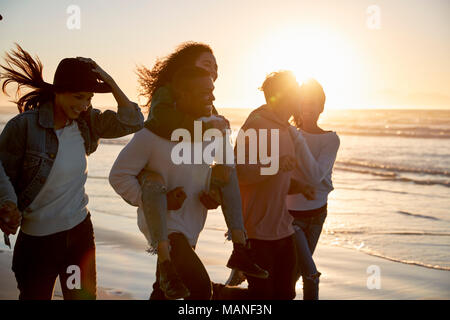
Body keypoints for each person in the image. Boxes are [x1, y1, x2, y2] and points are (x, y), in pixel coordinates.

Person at [0, 44, 144, 300]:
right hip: (37, 243)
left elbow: (133, 121)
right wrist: (8, 204)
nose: (85, 105)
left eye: (89, 98)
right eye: (79, 97)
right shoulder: (24, 127)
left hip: (78, 237)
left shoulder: (87, 123)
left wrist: (109, 81)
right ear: (59, 92)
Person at [132, 42, 267, 299]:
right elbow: (163, 122)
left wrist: (214, 186)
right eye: (207, 64)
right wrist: (208, 130)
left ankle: (240, 245)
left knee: (167, 283)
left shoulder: (207, 104)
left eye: (216, 67)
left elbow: (217, 146)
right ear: (187, 69)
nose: (214, 71)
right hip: (164, 191)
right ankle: (239, 247)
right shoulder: (166, 92)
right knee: (194, 287)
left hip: (189, 207)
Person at [235, 70, 310, 300]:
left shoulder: (285, 128)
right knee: (262, 297)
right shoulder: (256, 124)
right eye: (295, 91)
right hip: (257, 233)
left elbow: (277, 180)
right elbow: (240, 172)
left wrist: (298, 186)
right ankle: (219, 296)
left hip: (283, 229)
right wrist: (275, 165)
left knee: (286, 295)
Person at [287, 78, 340, 300]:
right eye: (304, 103)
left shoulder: (331, 139)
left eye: (313, 103)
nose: (308, 108)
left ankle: (226, 295)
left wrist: (298, 139)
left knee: (292, 280)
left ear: (321, 107)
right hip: (289, 218)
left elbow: (316, 175)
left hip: (317, 215)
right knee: (311, 275)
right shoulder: (287, 133)